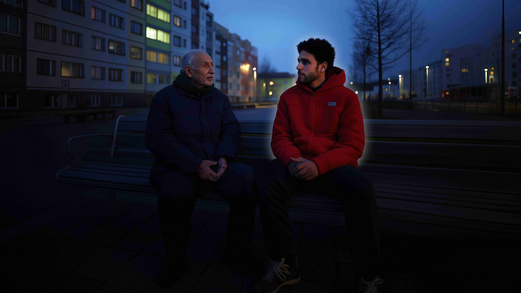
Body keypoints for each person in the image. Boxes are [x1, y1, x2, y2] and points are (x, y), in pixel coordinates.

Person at [254, 39, 383, 293]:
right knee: (267, 179)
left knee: (362, 190)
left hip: (330, 167)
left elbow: (352, 145)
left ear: (322, 66)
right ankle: (286, 265)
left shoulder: (345, 98)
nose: (298, 66)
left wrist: (319, 164)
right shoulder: (289, 97)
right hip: (297, 165)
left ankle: (368, 276)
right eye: (299, 60)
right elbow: (280, 137)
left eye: (305, 61)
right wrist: (292, 160)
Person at [145, 49, 256, 288]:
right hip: (178, 167)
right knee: (174, 195)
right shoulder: (165, 98)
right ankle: (175, 261)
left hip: (216, 164)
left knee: (245, 180)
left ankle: (236, 252)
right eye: (206, 66)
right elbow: (158, 138)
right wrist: (195, 164)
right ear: (188, 70)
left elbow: (231, 129)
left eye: (212, 65)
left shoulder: (219, 98)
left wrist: (225, 155)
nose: (212, 70)